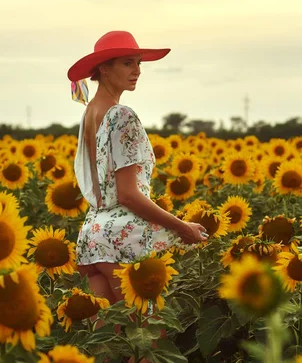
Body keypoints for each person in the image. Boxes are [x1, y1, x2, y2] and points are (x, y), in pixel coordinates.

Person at [68, 30, 208, 305]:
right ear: (104, 69)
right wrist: (181, 227)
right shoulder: (122, 115)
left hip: (91, 238)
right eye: (127, 63)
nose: (137, 71)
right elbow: (128, 195)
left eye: (138, 63)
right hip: (121, 241)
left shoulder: (89, 114)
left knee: (109, 339)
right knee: (147, 334)